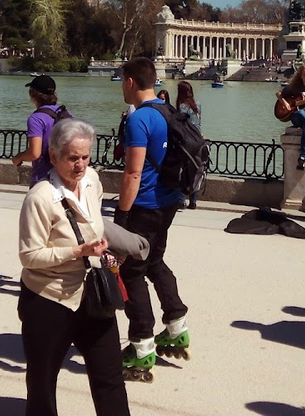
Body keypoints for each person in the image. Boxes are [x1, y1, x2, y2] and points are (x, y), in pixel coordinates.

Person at [18, 119, 130, 415]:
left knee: (110, 375)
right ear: (53, 156)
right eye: (72, 158)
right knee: (42, 382)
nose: (80, 165)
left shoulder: (92, 180)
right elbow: (29, 256)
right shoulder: (39, 198)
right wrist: (77, 251)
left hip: (93, 294)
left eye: (85, 157)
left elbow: (95, 224)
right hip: (48, 299)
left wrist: (105, 249)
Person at [115, 58, 189, 381]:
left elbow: (133, 173)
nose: (122, 87)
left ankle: (142, 346)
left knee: (132, 272)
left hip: (145, 205)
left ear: (130, 82)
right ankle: (176, 326)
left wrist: (121, 216)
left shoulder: (139, 119)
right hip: (169, 201)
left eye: (122, 81)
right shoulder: (167, 110)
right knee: (155, 261)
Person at [12, 75, 72, 186]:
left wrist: (18, 157)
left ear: (33, 95)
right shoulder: (66, 113)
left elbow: (34, 153)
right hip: (66, 175)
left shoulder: (36, 118)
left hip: (44, 178)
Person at [176, 81, 202, 209]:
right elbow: (199, 123)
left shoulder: (181, 107)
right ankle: (193, 201)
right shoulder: (198, 105)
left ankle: (181, 200)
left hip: (186, 142)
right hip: (199, 141)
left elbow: (180, 126)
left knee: (182, 171)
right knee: (196, 171)